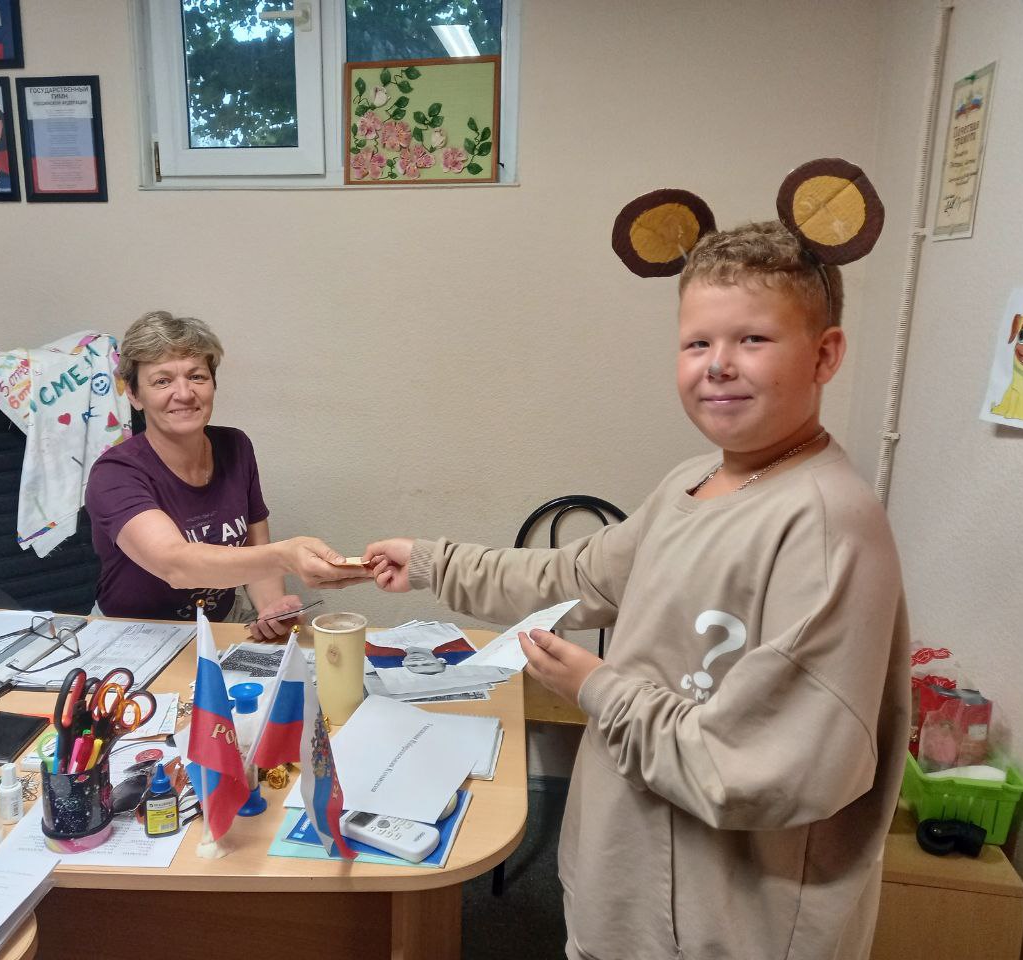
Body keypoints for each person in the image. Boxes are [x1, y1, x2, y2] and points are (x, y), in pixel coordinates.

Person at [362, 222, 910, 960]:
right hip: (628, 887)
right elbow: (574, 576)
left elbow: (758, 771)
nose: (718, 365)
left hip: (723, 925)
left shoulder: (825, 526)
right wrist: (433, 562)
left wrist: (597, 688)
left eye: (753, 340)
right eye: (697, 343)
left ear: (825, 354)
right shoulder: (697, 478)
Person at [85, 311, 367, 638]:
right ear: (134, 395)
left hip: (222, 622)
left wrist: (272, 609)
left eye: (197, 377)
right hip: (135, 634)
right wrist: (287, 556)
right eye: (162, 381)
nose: (184, 393)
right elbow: (175, 565)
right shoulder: (114, 474)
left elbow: (256, 554)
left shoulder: (236, 447)